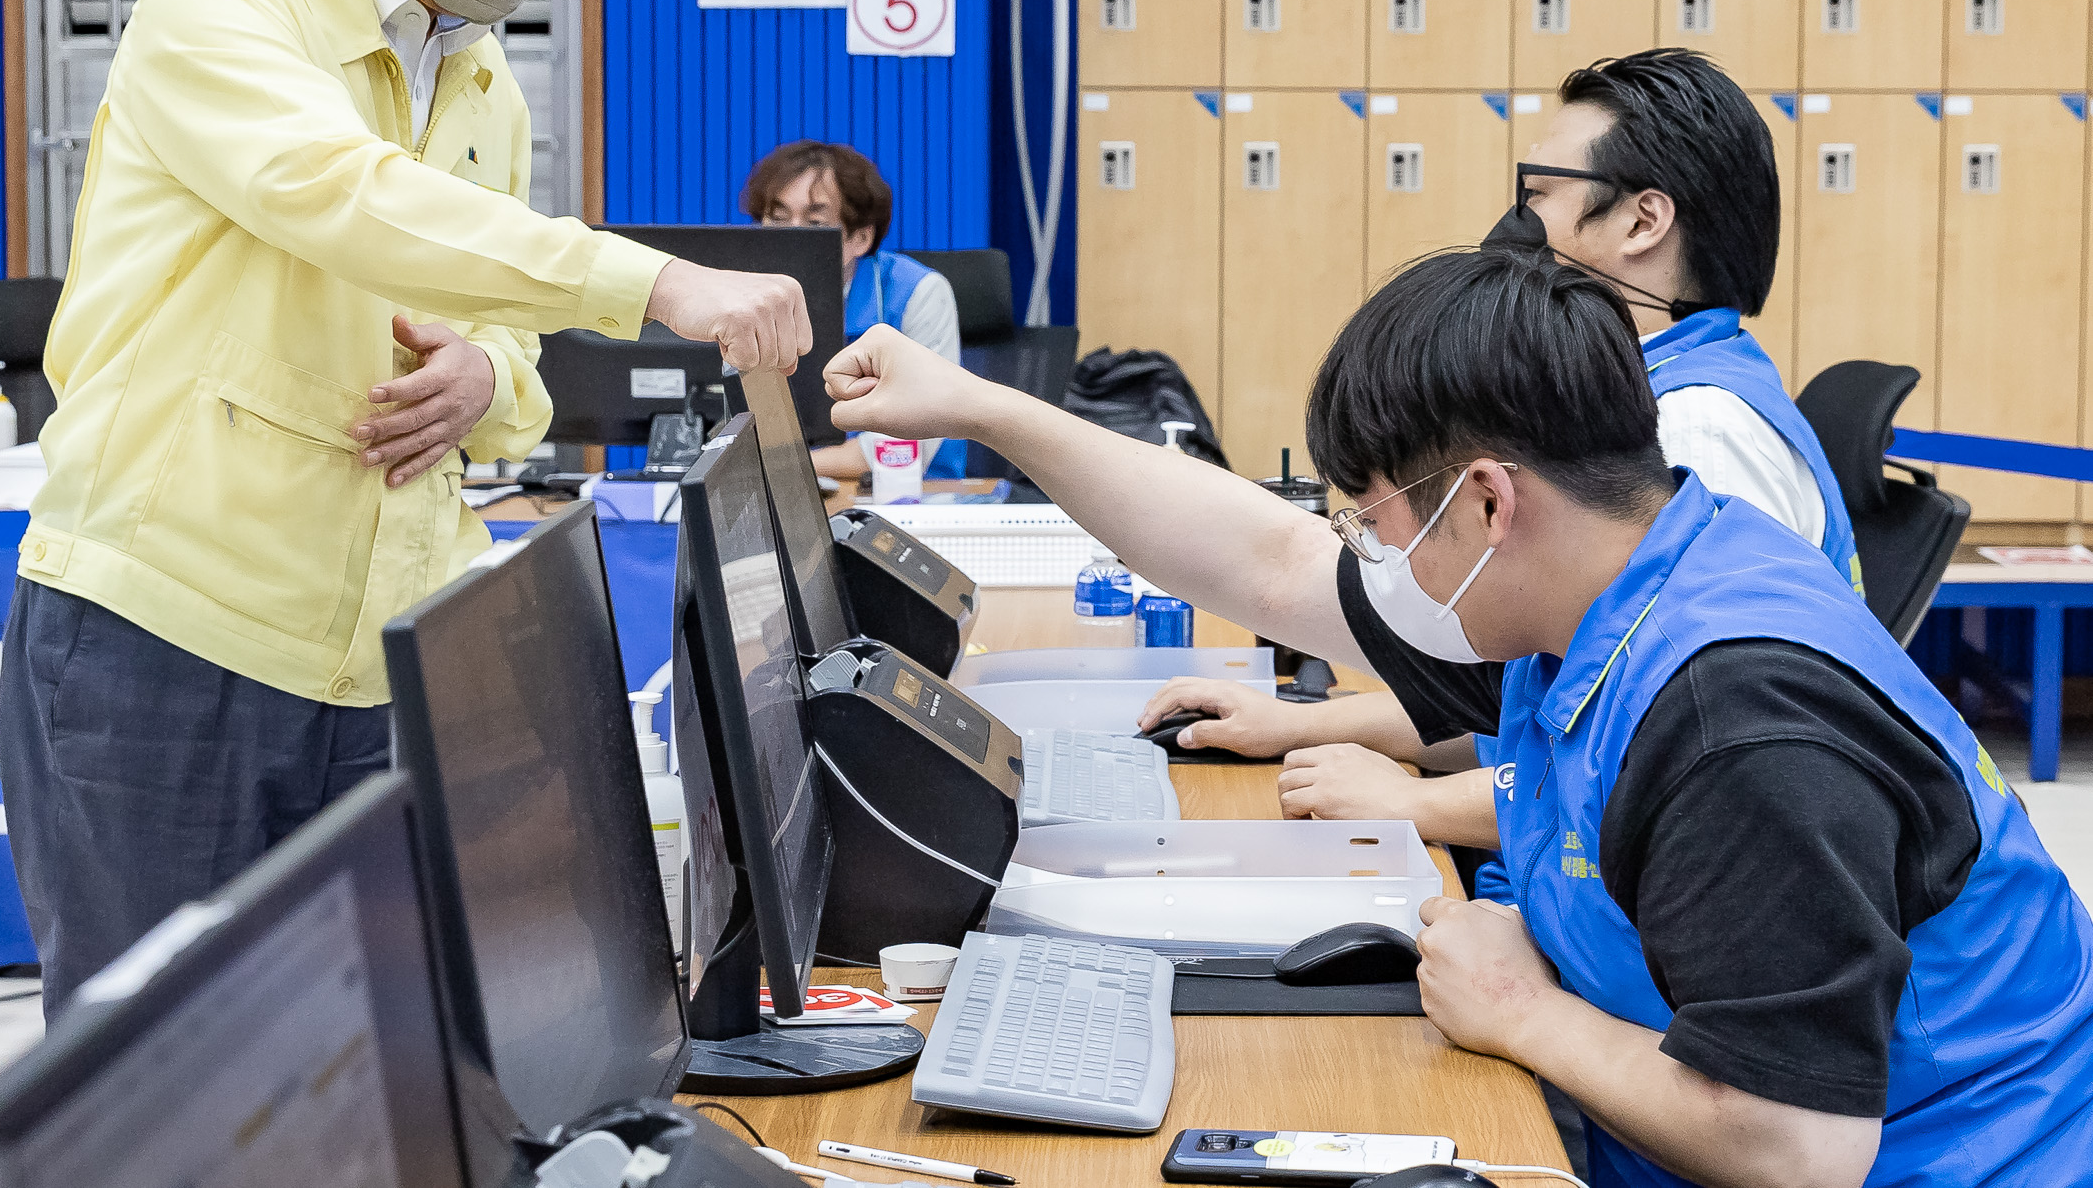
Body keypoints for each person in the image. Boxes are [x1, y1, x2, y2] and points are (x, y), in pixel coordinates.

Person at [825, 253, 2093, 1188]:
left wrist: (1523, 1010)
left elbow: (1796, 1145)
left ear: (1486, 501)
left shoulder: (1735, 719)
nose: (1368, 556)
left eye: (1375, 520)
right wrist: (985, 410)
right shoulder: (1601, 580)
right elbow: (1265, 563)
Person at [0, 0, 811, 1016]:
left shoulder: (479, 69)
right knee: (170, 1089)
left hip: (387, 654)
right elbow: (341, 199)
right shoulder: (222, 3)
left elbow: (511, 356)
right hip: (167, 634)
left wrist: (492, 371)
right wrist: (654, 280)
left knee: (380, 1074)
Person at [1134, 50, 1862, 846]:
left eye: (1541, 192)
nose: (1517, 225)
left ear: (1643, 220)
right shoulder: (1648, 392)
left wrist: (1414, 804)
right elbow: (1534, 712)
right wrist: (1307, 720)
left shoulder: (1698, 435)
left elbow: (1672, 772)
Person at [743, 139, 963, 480]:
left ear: (859, 238)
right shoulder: (744, 298)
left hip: (910, 501)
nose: (791, 237)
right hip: (779, 494)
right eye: (778, 219)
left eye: (815, 223)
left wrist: (780, 467)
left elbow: (908, 444)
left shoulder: (919, 294)